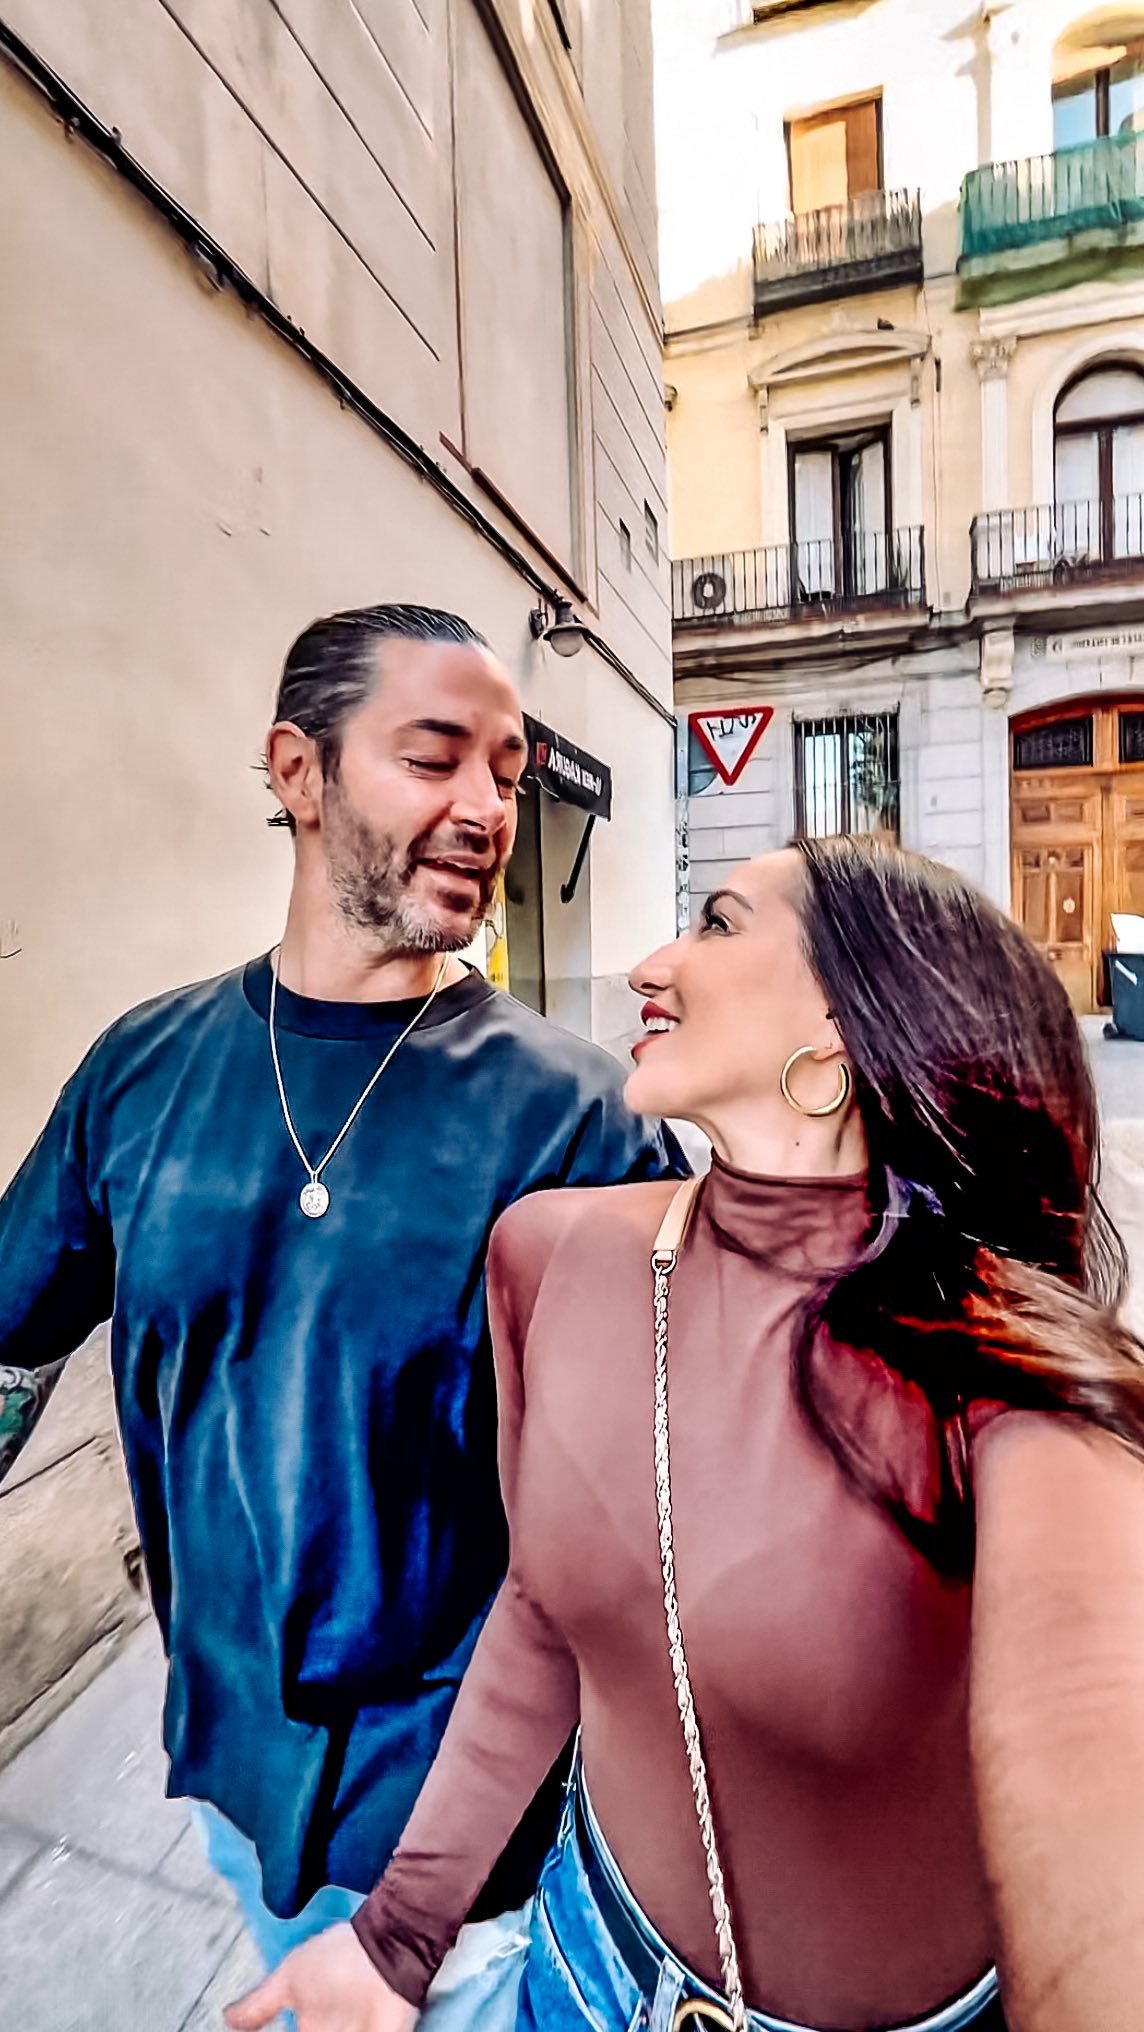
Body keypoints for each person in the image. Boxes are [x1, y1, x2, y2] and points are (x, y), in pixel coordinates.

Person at [230, 836, 1144, 2032]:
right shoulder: (546, 1253)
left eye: (716, 923)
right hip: (577, 1967)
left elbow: (1100, 1811)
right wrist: (398, 1935)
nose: (649, 966)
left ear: (847, 1023)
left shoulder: (1017, 1390)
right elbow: (541, 1611)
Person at [0, 604, 686, 2012]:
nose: (486, 809)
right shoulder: (142, 1069)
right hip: (231, 1773)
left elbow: (668, 1509)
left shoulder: (580, 1119)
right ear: (297, 771)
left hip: (472, 1839)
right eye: (435, 758)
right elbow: (13, 1336)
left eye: (507, 772)